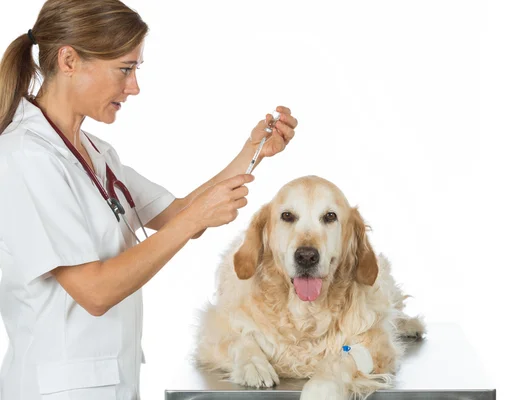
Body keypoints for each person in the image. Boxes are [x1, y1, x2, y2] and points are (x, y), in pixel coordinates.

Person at [0, 0, 298, 399]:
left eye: (135, 70)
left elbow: (175, 213)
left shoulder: (93, 151)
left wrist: (253, 151)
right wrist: (193, 221)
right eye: (124, 69)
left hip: (108, 383)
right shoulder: (26, 156)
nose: (134, 87)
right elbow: (95, 291)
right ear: (68, 60)